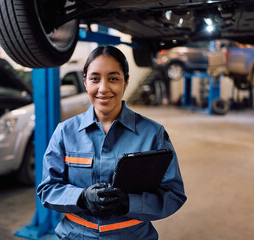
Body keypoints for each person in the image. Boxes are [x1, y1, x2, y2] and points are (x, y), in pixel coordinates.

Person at [37, 46, 186, 239]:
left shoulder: (152, 134)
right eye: (95, 78)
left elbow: (173, 194)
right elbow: (47, 189)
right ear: (85, 82)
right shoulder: (65, 132)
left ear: (126, 82)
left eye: (113, 78)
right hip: (75, 235)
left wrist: (129, 202)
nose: (103, 88)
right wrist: (81, 197)